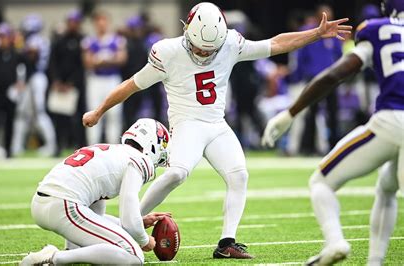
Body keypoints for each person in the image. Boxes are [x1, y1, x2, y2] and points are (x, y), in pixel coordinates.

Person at [82, 2, 351, 259]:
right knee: (177, 172)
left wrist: (316, 34)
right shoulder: (168, 51)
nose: (204, 54)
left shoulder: (230, 43)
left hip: (217, 124)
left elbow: (275, 44)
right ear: (187, 31)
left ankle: (226, 243)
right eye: (199, 49)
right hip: (187, 123)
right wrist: (98, 111)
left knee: (239, 176)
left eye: (210, 51)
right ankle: (131, 223)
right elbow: (131, 85)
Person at [261, 0, 404, 264]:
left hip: (392, 118)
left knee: (321, 182)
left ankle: (335, 242)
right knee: (386, 187)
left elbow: (334, 74)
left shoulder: (376, 30)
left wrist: (290, 112)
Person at [20, 118, 170, 265]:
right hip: (64, 204)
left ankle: (67, 252)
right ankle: (55, 257)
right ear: (152, 145)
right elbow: (129, 217)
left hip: (45, 202)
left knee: (103, 237)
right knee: (134, 256)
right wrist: (144, 239)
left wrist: (138, 222)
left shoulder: (110, 152)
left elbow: (95, 217)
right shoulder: (139, 160)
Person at [290, 5, 343, 155]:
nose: (327, 18)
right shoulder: (309, 31)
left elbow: (339, 56)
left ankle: (334, 147)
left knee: (333, 113)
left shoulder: (333, 33)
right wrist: (299, 76)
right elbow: (300, 56)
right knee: (311, 113)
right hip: (313, 78)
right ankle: (309, 147)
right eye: (323, 15)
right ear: (318, 16)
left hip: (331, 78)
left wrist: (340, 75)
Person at [12, 15, 56, 157]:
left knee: (39, 113)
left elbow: (32, 55)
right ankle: (17, 146)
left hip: (35, 78)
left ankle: (51, 146)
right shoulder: (38, 40)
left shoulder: (34, 40)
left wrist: (19, 48)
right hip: (33, 78)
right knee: (23, 114)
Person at [0, 24, 27, 158]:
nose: (4, 40)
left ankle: (8, 150)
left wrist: (21, 84)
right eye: (1, 37)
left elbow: (27, 68)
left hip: (11, 93)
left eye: (6, 37)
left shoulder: (16, 54)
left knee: (10, 122)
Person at [82, 11, 127, 145]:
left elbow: (122, 59)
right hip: (95, 80)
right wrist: (102, 61)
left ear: (108, 22)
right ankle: (92, 145)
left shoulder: (117, 40)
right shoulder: (89, 41)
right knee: (93, 111)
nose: (101, 24)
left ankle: (112, 145)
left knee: (114, 114)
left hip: (112, 79)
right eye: (98, 21)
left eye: (104, 20)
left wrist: (103, 61)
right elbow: (87, 62)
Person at [49, 10, 86, 155]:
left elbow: (82, 65)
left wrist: (72, 82)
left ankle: (80, 146)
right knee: (59, 117)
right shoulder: (59, 41)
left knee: (78, 117)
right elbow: (52, 63)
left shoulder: (82, 40)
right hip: (60, 85)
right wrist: (57, 81)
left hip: (75, 85)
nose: (73, 25)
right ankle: (58, 146)